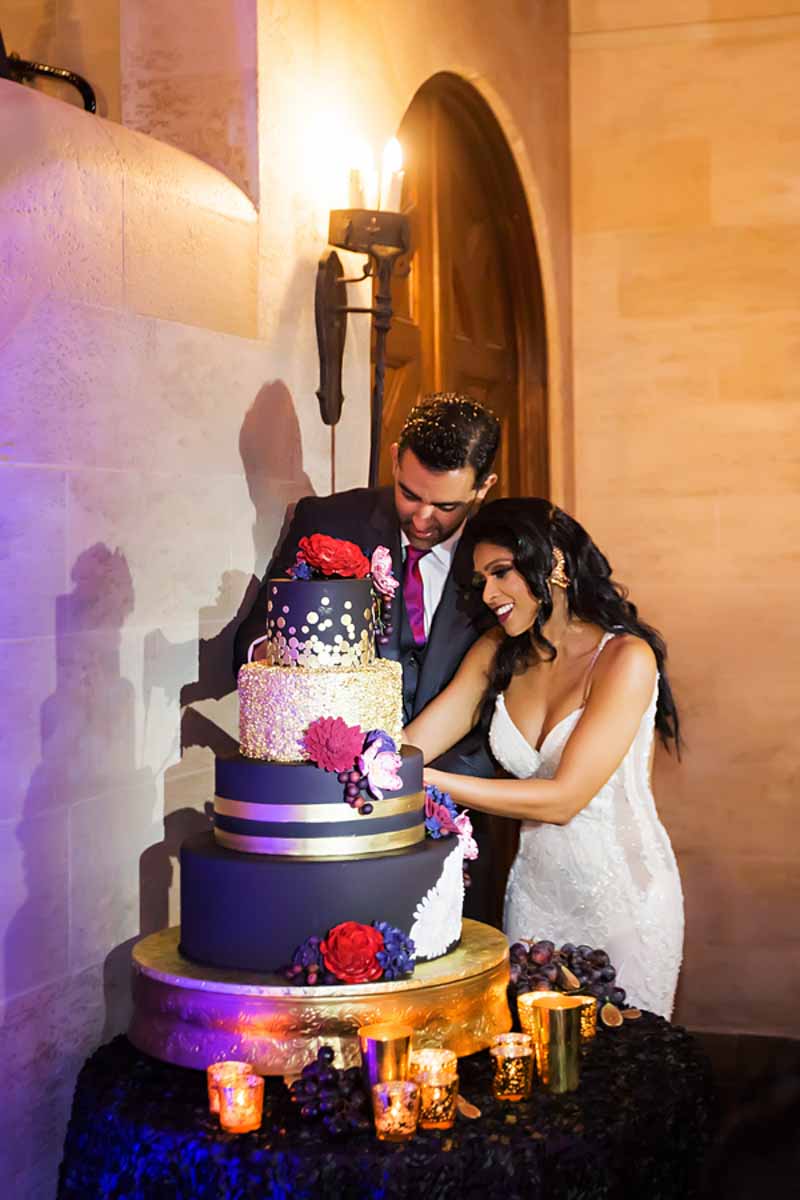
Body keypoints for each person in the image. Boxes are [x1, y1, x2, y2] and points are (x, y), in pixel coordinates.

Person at [404, 497, 684, 1017]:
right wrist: (361, 758)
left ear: (552, 563)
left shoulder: (625, 658)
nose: (488, 594)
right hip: (535, 897)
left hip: (625, 898)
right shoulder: (496, 652)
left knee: (623, 1080)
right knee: (540, 1076)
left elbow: (563, 799)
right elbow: (412, 745)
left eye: (501, 573)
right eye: (481, 580)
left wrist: (425, 782)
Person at [233, 393, 505, 924]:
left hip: (459, 809)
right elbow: (251, 638)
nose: (423, 517)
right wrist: (292, 666)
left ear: (483, 486)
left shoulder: (504, 550)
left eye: (447, 506)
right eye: (409, 494)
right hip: (332, 804)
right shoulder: (330, 520)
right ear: (397, 456)